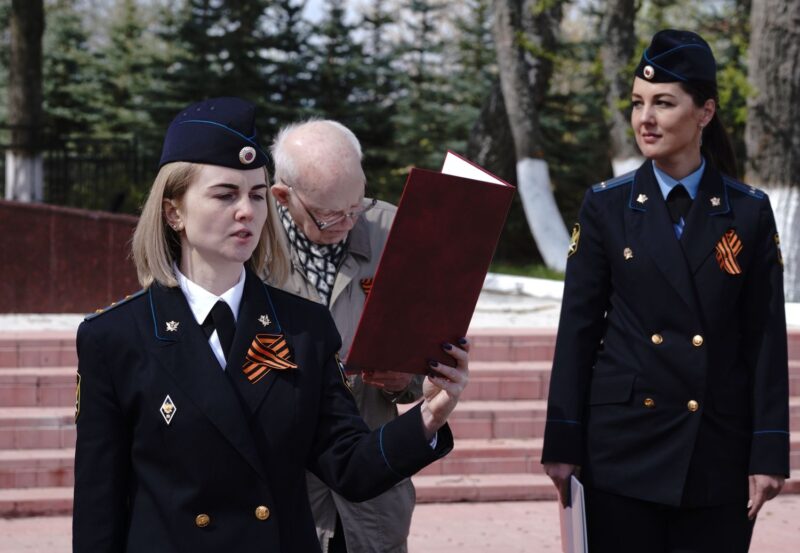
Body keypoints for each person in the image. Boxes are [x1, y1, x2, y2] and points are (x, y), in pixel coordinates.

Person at [72, 97, 470, 553]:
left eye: (257, 195)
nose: (247, 211)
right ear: (173, 212)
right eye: (225, 194)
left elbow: (350, 466)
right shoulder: (116, 338)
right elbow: (99, 509)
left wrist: (430, 414)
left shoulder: (305, 327)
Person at [541, 30, 789, 552]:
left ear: (704, 112)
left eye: (663, 103)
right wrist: (562, 438)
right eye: (637, 103)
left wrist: (768, 452)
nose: (645, 118)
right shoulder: (607, 206)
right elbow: (578, 330)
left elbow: (764, 338)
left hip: (715, 451)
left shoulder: (747, 212)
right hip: (622, 448)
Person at [267, 120, 425, 553]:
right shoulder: (251, 242)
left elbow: (434, 343)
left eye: (356, 205)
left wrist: (406, 376)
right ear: (283, 196)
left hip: (372, 488)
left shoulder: (393, 230)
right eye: (332, 213)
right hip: (286, 487)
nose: (349, 221)